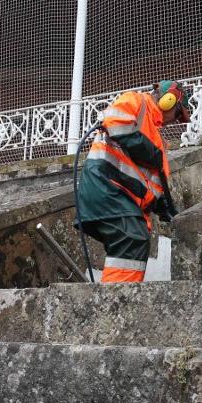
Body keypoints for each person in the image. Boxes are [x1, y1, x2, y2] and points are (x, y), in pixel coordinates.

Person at [77, 80, 191, 283]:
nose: (175, 121)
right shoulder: (137, 101)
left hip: (119, 193)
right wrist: (148, 150)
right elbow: (117, 125)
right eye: (178, 114)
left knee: (136, 240)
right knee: (132, 238)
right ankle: (114, 299)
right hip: (105, 184)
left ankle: (118, 296)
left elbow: (153, 181)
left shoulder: (155, 136)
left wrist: (164, 206)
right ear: (168, 100)